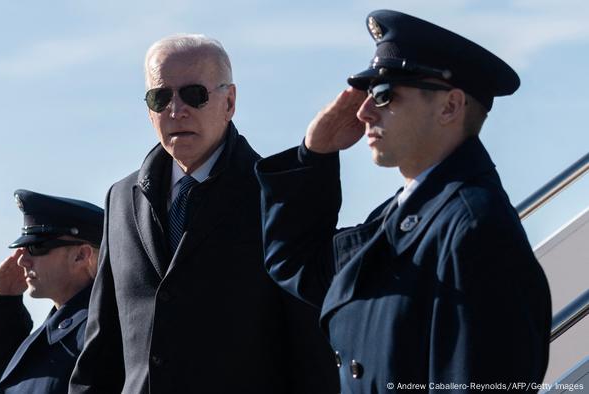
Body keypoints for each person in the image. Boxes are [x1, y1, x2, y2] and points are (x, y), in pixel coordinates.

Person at [254, 10, 552, 393]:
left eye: (384, 94)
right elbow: (299, 267)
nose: (363, 111)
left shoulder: (476, 229)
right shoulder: (404, 216)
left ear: (449, 107)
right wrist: (314, 155)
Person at [69, 34, 339, 394]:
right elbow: (102, 349)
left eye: (194, 94)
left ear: (229, 102)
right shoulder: (120, 199)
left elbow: (310, 353)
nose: (176, 110)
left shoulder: (274, 198)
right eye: (161, 97)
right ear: (149, 111)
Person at [0, 189, 104, 394]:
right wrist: (3, 303)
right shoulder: (67, 326)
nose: (22, 260)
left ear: (81, 255)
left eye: (37, 247)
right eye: (23, 249)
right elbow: (16, 377)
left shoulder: (102, 328)